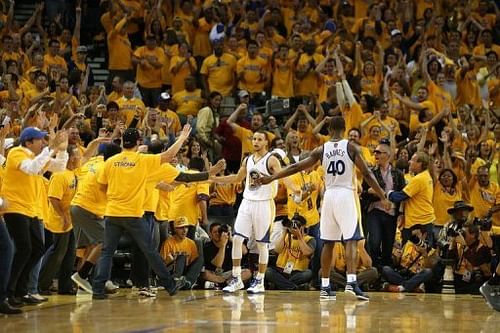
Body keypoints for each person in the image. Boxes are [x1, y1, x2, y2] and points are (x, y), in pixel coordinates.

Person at [259, 116, 390, 300]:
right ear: (344, 129)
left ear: (328, 130)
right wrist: (383, 195)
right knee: (351, 240)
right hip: (345, 194)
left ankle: (325, 286)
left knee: (328, 243)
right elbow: (367, 174)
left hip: (328, 197)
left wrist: (273, 177)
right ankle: (352, 283)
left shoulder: (321, 149)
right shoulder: (351, 147)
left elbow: (296, 166)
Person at [91, 125, 225, 299]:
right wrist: (183, 137)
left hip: (112, 213)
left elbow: (101, 186)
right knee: (150, 251)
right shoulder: (143, 161)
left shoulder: (111, 161)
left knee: (107, 252)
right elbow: (172, 160)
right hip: (133, 214)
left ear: (123, 142)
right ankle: (170, 285)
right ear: (138, 142)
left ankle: (98, 290)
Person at [213, 130, 300, 294]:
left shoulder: (272, 159)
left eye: (260, 139)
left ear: (266, 142)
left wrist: (295, 189)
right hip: (247, 203)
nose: (256, 142)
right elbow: (237, 179)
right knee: (237, 239)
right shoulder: (247, 159)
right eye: (254, 139)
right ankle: (237, 278)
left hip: (264, 204)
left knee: (262, 244)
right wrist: (214, 178)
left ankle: (259, 280)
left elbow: (283, 176)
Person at [1, 128, 69, 307]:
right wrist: (51, 149)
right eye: (40, 140)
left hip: (30, 210)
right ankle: (9, 292)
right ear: (28, 142)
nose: (43, 142)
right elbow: (31, 169)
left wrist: (61, 149)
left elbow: (60, 167)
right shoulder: (17, 153)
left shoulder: (35, 157)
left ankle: (21, 291)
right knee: (24, 249)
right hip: (14, 207)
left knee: (37, 249)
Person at [265, 214, 316, 290]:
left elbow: (307, 252)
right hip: (281, 270)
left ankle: (282, 285)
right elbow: (277, 250)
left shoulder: (310, 239)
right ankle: (294, 287)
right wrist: (284, 233)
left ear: (303, 226)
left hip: (297, 272)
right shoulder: (285, 237)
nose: (294, 227)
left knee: (308, 273)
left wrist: (299, 236)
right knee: (267, 271)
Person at [202, 223, 252, 289]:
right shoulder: (208, 246)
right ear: (210, 234)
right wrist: (223, 245)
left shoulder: (231, 242)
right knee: (205, 274)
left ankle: (222, 284)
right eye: (215, 232)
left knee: (248, 272)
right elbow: (218, 264)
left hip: (232, 273)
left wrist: (231, 238)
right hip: (216, 274)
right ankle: (228, 284)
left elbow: (244, 251)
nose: (217, 233)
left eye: (219, 231)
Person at [160, 216, 203, 290]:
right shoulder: (168, 243)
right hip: (173, 271)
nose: (184, 230)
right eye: (181, 228)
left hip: (185, 271)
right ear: (175, 229)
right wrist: (169, 260)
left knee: (200, 259)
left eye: (186, 227)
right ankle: (175, 281)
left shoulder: (191, 243)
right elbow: (161, 266)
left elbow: (193, 264)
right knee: (182, 256)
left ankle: (187, 282)